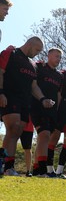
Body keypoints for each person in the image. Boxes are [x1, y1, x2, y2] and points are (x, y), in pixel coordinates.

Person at [0, 37, 53, 176]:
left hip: (25, 101)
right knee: (13, 128)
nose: (37, 53)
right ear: (30, 44)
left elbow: (34, 86)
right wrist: (0, 93)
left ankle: (5, 164)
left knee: (17, 132)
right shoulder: (11, 53)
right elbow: (0, 72)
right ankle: (7, 167)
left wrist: (42, 99)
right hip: (10, 96)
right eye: (36, 50)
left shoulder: (32, 64)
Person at [31, 48, 63, 177]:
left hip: (52, 111)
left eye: (60, 57)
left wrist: (57, 109)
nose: (58, 59)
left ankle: (36, 168)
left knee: (44, 138)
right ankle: (43, 170)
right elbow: (33, 85)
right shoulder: (39, 67)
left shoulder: (59, 75)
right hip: (38, 106)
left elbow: (58, 95)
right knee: (44, 134)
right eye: (56, 56)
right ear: (49, 55)